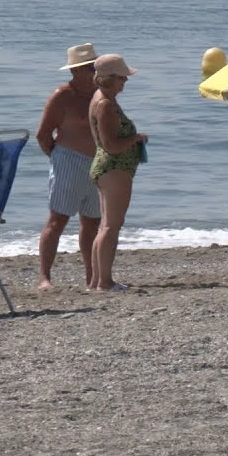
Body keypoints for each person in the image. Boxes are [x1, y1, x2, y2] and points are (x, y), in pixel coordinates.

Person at [35, 43, 102, 291]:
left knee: (93, 221)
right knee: (58, 219)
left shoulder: (101, 94)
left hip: (96, 163)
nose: (94, 72)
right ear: (75, 71)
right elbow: (42, 134)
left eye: (95, 67)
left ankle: (91, 276)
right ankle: (44, 277)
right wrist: (57, 157)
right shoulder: (62, 95)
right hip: (68, 160)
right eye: (88, 68)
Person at [87, 54, 147, 292]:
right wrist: (135, 138)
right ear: (110, 79)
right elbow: (111, 145)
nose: (125, 82)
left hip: (107, 166)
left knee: (105, 225)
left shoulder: (100, 98)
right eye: (122, 78)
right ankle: (105, 282)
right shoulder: (106, 104)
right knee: (112, 226)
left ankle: (96, 280)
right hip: (114, 167)